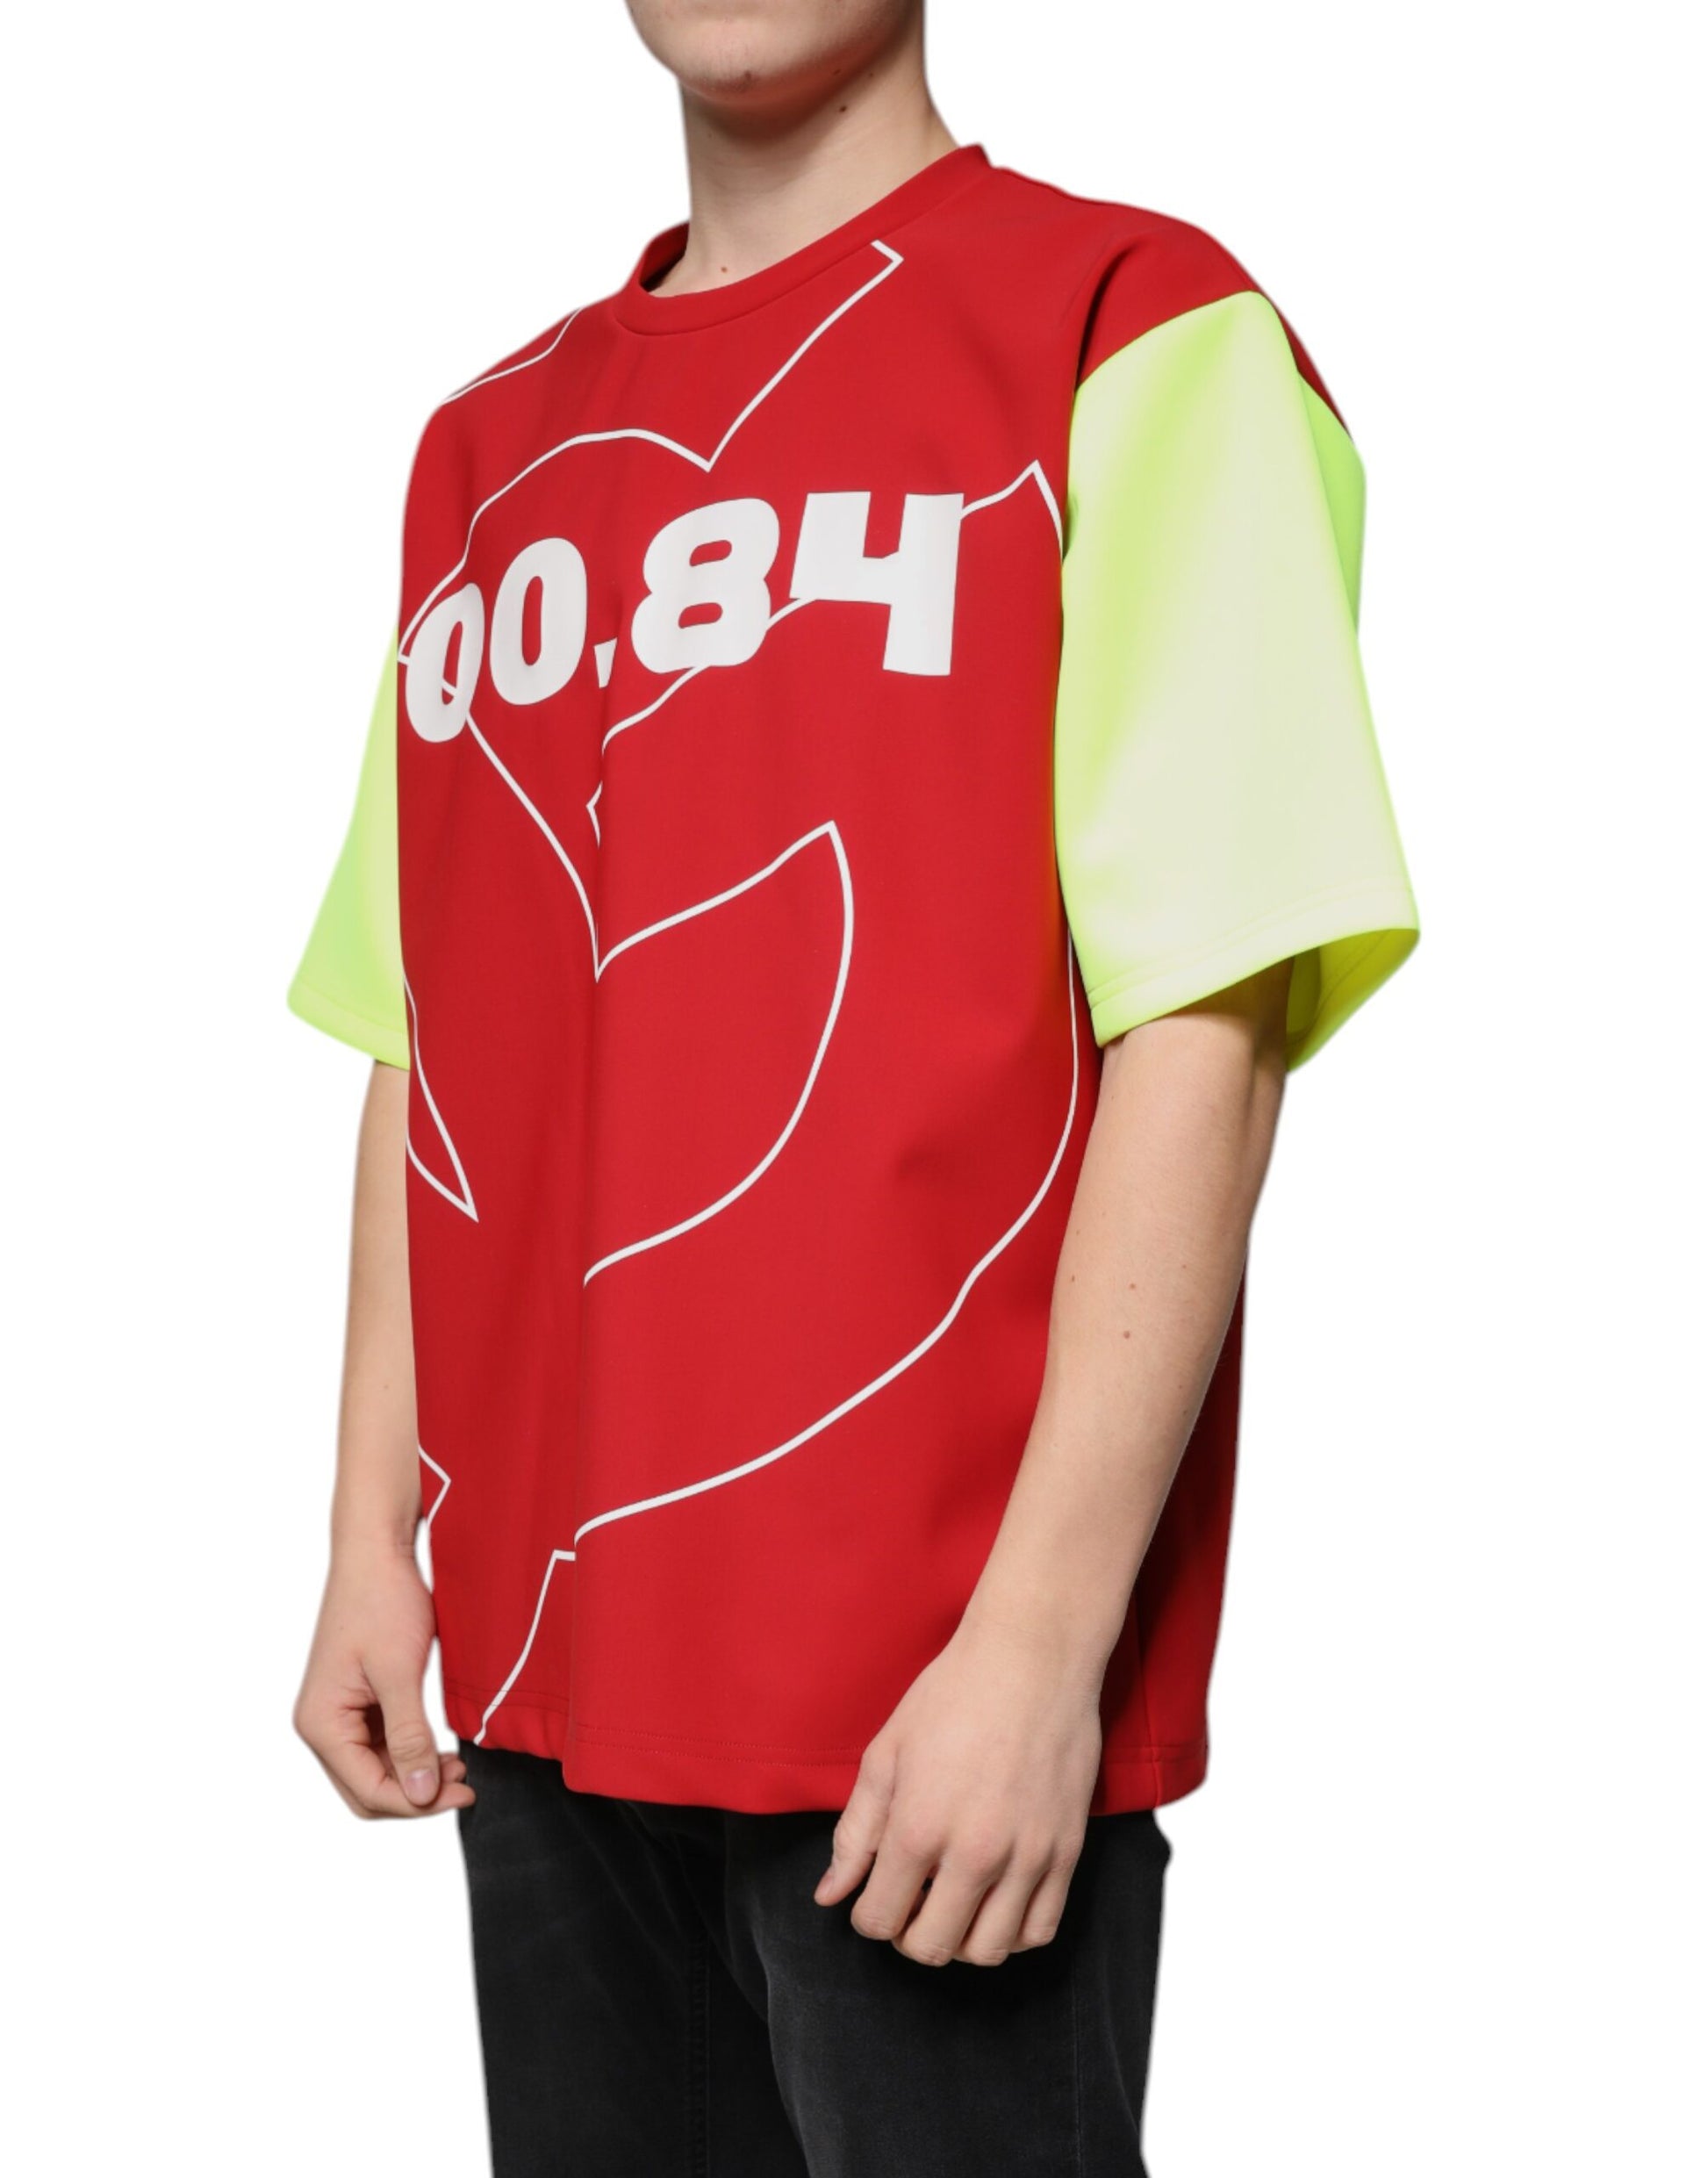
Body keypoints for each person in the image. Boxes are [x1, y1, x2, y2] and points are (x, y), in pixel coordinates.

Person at [287, 3, 1417, 2170]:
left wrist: (1043, 1645)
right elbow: (428, 1032)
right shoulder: (485, 448)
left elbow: (1206, 1011)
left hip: (933, 1705)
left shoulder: (1134, 325)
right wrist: (368, 1536)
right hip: (543, 1698)